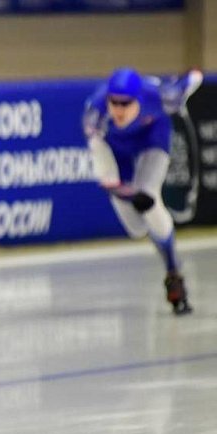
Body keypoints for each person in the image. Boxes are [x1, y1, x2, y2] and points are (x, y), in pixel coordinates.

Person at [83, 67, 202, 315]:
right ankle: (167, 256)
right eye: (113, 103)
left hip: (152, 139)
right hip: (116, 150)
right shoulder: (95, 115)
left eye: (125, 103)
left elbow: (192, 80)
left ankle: (173, 272)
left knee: (147, 198)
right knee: (136, 229)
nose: (118, 110)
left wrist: (191, 77)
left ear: (138, 100)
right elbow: (104, 168)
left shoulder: (162, 97)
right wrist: (116, 186)